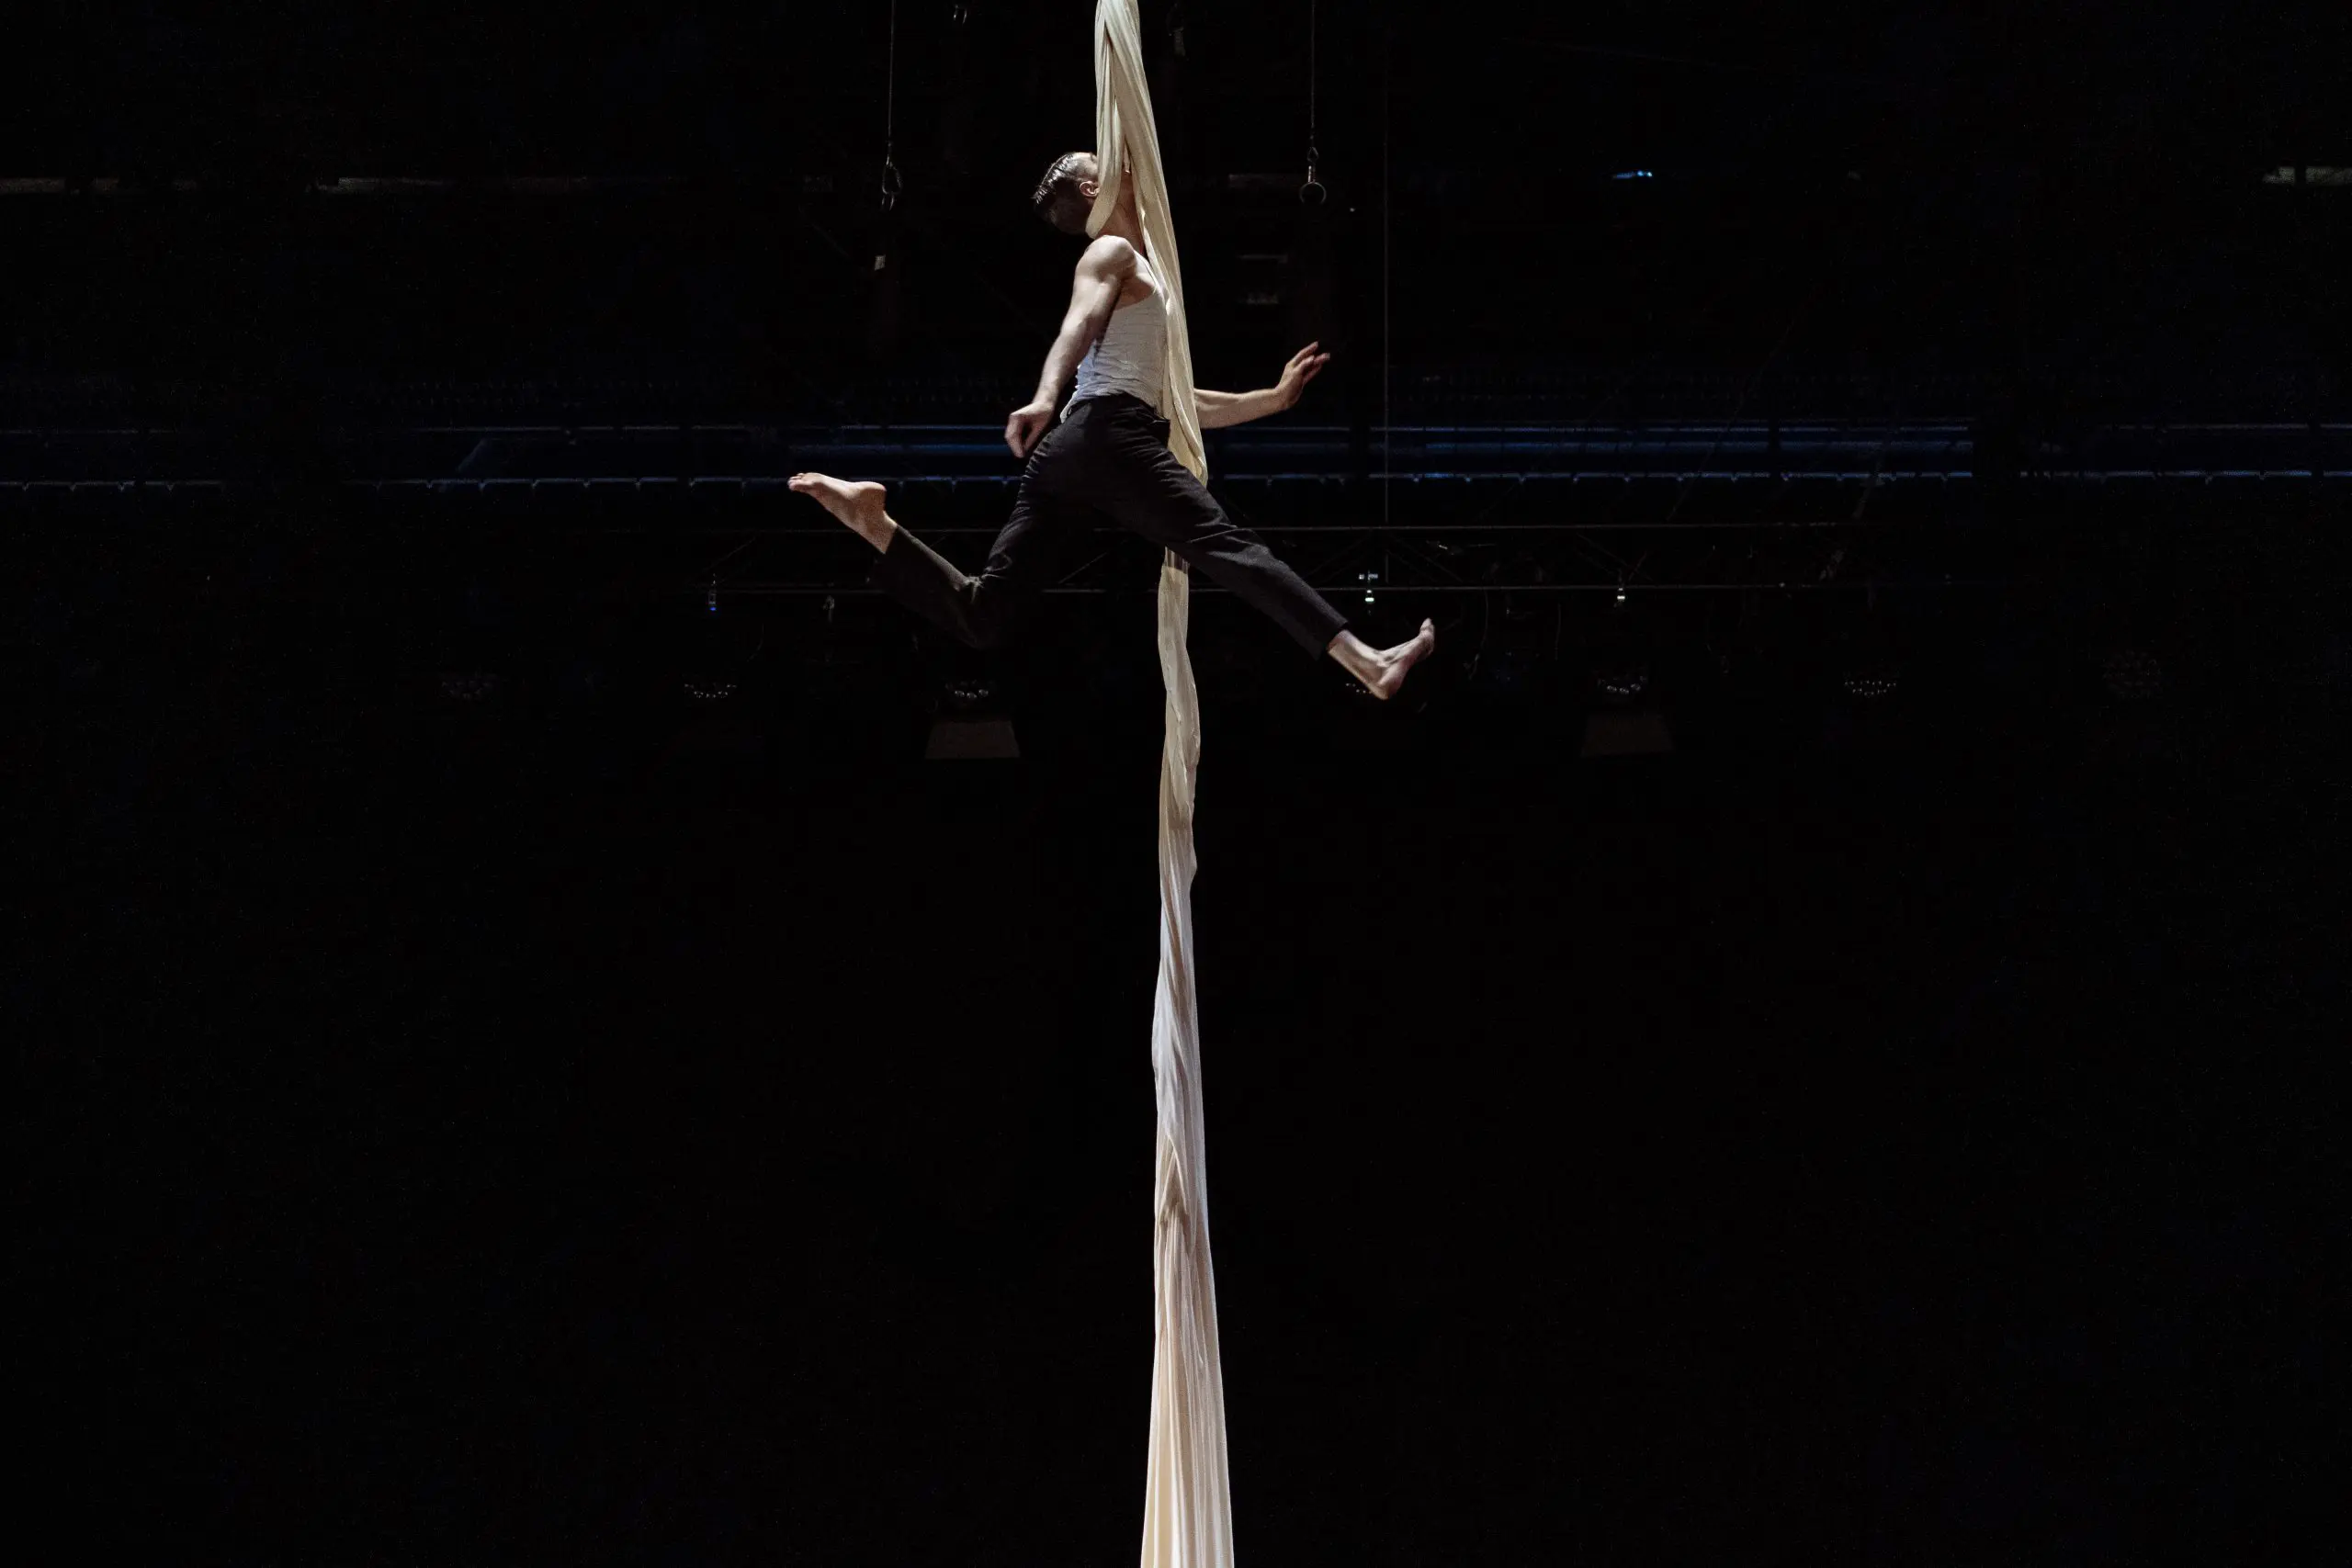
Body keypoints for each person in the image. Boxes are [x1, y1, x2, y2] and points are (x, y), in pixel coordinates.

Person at [789, 150, 1437, 700]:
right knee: (1234, 549)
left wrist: (1270, 398)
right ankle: (1365, 660)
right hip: (1105, 436)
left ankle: (876, 525)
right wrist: (1044, 396)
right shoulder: (1112, 253)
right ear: (1093, 187)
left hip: (1080, 450)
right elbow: (1079, 325)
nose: (1113, 154)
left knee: (984, 615)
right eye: (1100, 156)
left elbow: (1176, 401)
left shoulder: (1142, 263)